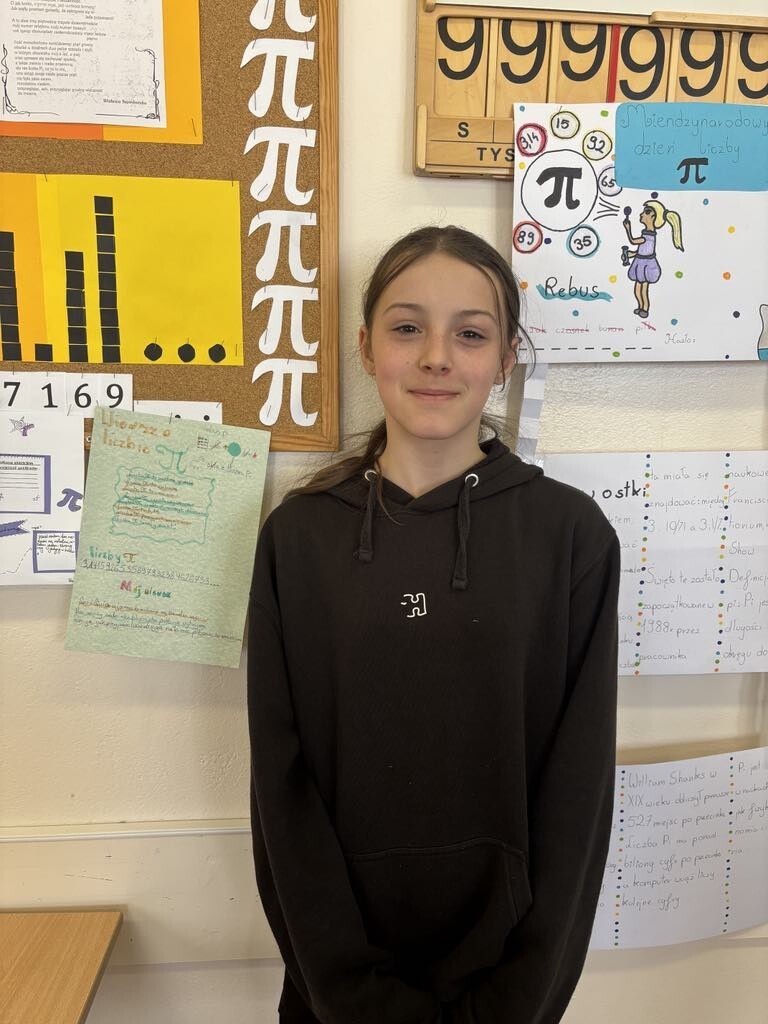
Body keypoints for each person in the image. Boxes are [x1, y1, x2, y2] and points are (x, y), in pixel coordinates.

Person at [248, 225, 620, 1023]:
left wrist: (517, 1002)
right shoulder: (299, 538)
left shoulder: (571, 536)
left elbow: (580, 791)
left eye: (471, 334)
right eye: (408, 327)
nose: (437, 358)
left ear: (507, 357)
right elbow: (282, 788)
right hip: (333, 995)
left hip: (510, 992)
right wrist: (349, 994)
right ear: (365, 346)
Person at [622, 198, 684, 319]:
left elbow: (633, 241)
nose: (641, 214)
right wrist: (631, 254)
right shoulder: (646, 233)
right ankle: (640, 307)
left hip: (647, 265)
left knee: (644, 289)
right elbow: (642, 250)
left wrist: (628, 229)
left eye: (645, 212)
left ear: (652, 217)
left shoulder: (649, 235)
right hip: (640, 262)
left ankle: (645, 309)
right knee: (637, 289)